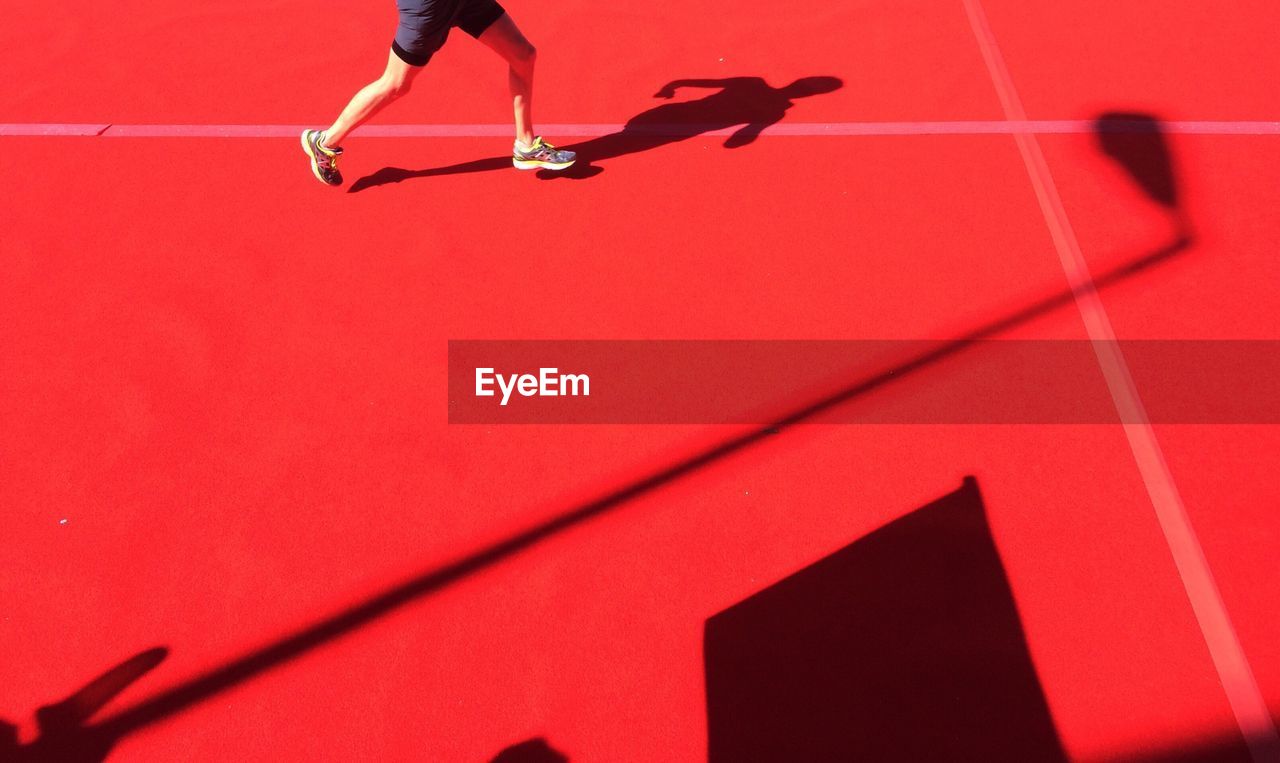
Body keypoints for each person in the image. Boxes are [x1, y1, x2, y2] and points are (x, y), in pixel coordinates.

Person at [301, 0, 575, 186]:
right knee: (396, 84)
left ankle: (526, 146)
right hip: (428, 6)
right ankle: (324, 142)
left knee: (524, 56)